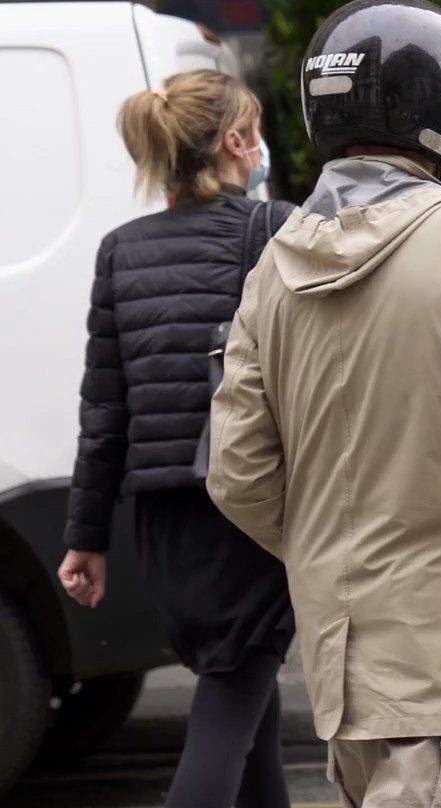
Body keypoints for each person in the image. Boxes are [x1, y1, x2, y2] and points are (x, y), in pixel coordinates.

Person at [206, 0, 441, 807]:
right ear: (437, 111)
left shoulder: (272, 271)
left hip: (341, 675)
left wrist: (328, 546)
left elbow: (237, 476)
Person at [59, 69, 295, 808]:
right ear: (233, 142)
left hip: (162, 525)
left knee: (246, 698)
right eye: (253, 134)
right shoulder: (271, 230)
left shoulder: (119, 251)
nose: (260, 152)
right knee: (231, 700)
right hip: (249, 513)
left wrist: (85, 539)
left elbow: (105, 413)